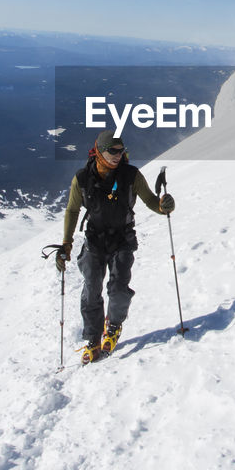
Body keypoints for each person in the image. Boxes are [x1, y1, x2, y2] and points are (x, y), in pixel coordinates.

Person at [54, 130, 174, 363]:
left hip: (122, 239)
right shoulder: (82, 179)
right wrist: (66, 244)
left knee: (118, 289)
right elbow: (72, 210)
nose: (118, 155)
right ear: (99, 151)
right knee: (92, 290)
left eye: (121, 150)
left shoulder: (131, 176)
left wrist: (164, 206)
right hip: (95, 240)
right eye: (113, 151)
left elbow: (150, 200)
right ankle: (93, 338)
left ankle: (114, 325)